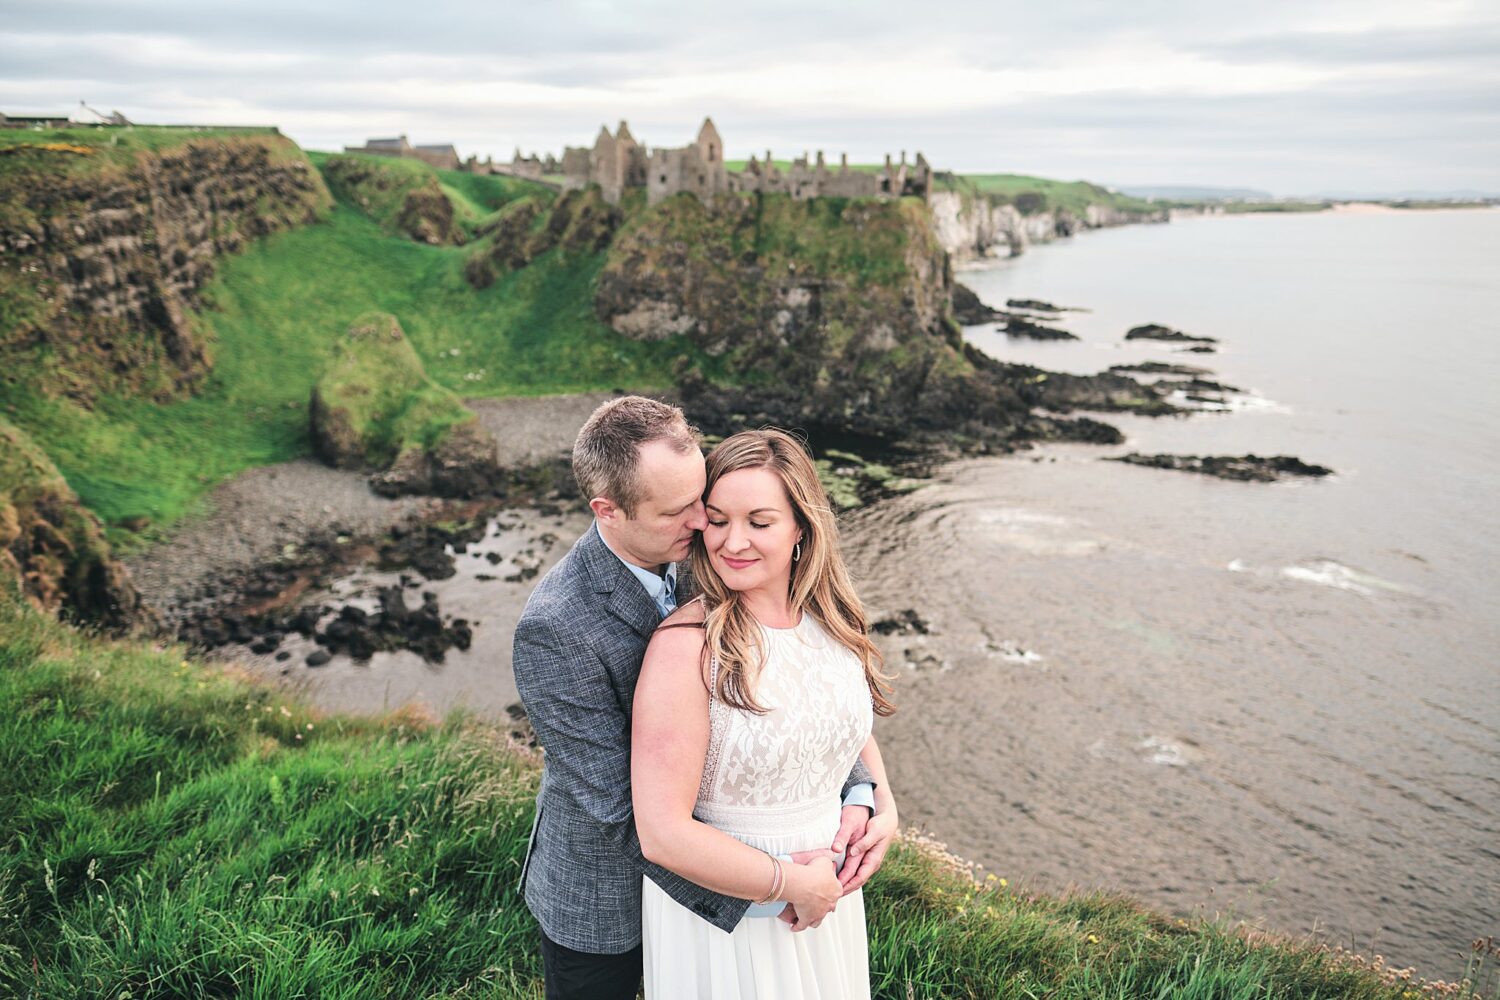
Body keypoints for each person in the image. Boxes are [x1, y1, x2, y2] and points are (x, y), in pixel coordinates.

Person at [513, 398, 890, 1000]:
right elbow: (623, 814)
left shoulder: (718, 552)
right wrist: (779, 886)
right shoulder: (557, 627)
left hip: (763, 867)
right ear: (607, 510)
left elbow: (793, 694)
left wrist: (865, 795)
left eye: (702, 499)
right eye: (681, 510)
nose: (703, 523)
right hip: (606, 892)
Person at [632, 428, 900, 998]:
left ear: (801, 527)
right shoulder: (688, 647)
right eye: (719, 519)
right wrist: (791, 883)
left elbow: (844, 727)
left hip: (827, 902)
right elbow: (661, 834)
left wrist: (882, 806)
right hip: (733, 923)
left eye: (760, 521)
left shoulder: (831, 625)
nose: (733, 542)